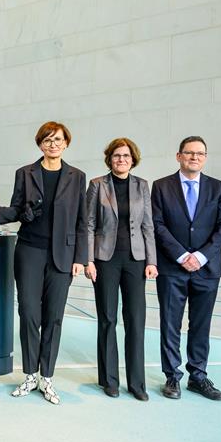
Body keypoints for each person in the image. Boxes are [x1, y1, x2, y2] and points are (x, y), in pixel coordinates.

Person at [0, 121, 87, 405]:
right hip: (30, 252)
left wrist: (81, 258)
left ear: (66, 143)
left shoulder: (77, 176)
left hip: (63, 255)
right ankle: (30, 374)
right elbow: (16, 209)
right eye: (47, 139)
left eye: (58, 139)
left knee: (54, 317)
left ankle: (47, 377)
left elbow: (82, 220)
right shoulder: (25, 173)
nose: (53, 143)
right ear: (40, 144)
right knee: (30, 314)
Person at [151, 136, 221, 401]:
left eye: (199, 153)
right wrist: (182, 255)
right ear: (178, 156)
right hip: (173, 268)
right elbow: (157, 224)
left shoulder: (218, 187)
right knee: (170, 324)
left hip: (207, 270)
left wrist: (201, 256)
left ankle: (198, 376)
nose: (194, 157)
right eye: (189, 153)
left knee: (200, 325)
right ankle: (172, 376)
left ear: (205, 158)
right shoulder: (161, 186)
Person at [84, 138, 158, 401]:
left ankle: (137, 384)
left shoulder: (142, 186)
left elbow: (148, 225)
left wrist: (152, 261)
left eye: (126, 156)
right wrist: (88, 260)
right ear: (110, 159)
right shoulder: (97, 185)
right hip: (105, 260)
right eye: (117, 155)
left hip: (136, 261)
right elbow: (89, 224)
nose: (121, 160)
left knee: (136, 321)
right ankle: (109, 380)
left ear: (132, 158)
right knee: (107, 319)